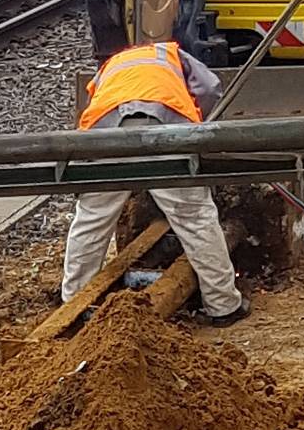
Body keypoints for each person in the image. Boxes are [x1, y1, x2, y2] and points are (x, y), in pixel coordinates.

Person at [59, 36, 247, 324]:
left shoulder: (112, 64)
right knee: (195, 218)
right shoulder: (174, 55)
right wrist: (197, 130)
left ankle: (71, 304)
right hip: (166, 128)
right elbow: (210, 89)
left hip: (105, 133)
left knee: (92, 219)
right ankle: (223, 305)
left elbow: (92, 106)